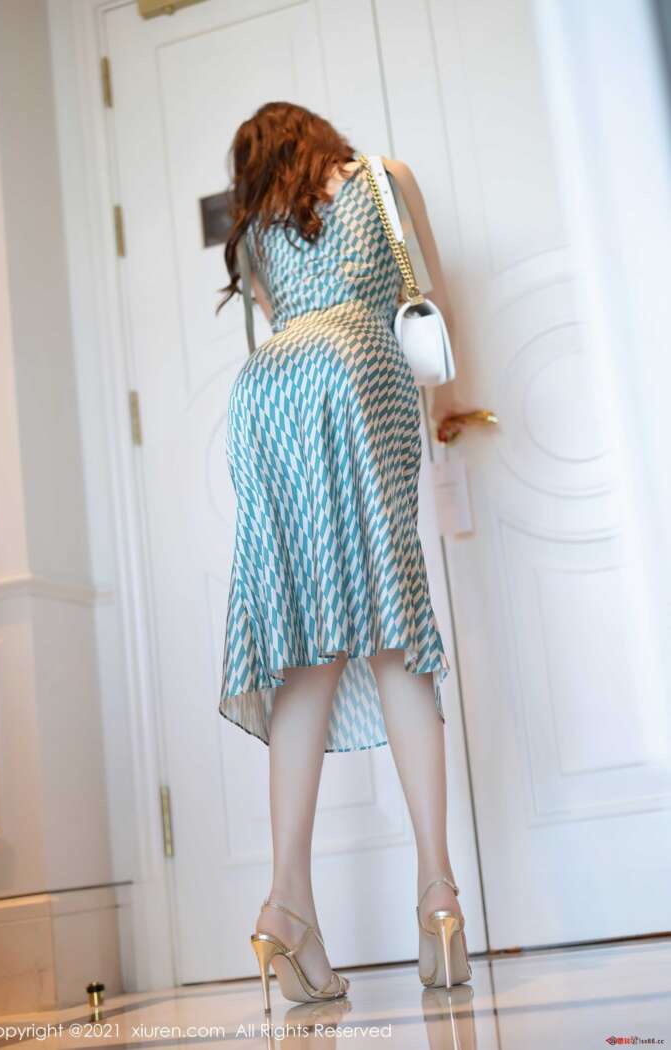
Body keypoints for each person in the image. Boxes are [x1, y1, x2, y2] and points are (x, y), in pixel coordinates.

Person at [216, 101, 471, 1012]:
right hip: (359, 375)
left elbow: (275, 315)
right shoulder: (383, 179)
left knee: (304, 646)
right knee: (395, 631)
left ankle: (286, 905)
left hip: (267, 394)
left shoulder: (255, 229)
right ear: (321, 136)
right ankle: (438, 894)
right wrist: (452, 410)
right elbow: (428, 297)